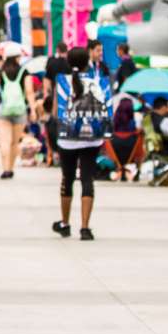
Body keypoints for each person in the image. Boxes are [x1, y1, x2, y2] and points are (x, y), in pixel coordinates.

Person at [51, 46, 111, 240]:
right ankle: (85, 228)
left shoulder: (62, 82)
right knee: (87, 179)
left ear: (68, 62)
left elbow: (55, 113)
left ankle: (65, 223)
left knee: (67, 179)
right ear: (88, 62)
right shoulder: (99, 82)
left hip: (67, 138)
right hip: (92, 138)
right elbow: (108, 109)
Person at [0, 55, 29, 180]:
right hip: (20, 110)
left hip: (4, 110)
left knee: (4, 142)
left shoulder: (0, 72)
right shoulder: (24, 71)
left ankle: (5, 169)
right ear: (18, 57)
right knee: (14, 142)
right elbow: (29, 91)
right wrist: (33, 109)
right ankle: (11, 169)